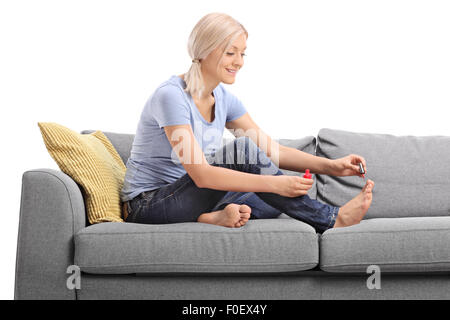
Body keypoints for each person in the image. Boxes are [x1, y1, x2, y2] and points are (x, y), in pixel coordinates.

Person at [121, 12, 375, 234]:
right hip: (147, 204)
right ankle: (333, 219)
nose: (239, 62)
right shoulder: (171, 97)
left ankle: (210, 217)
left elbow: (272, 151)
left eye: (242, 54)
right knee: (250, 161)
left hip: (191, 198)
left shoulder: (224, 100)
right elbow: (201, 174)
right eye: (230, 53)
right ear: (205, 51)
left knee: (272, 198)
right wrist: (276, 184)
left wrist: (332, 167)